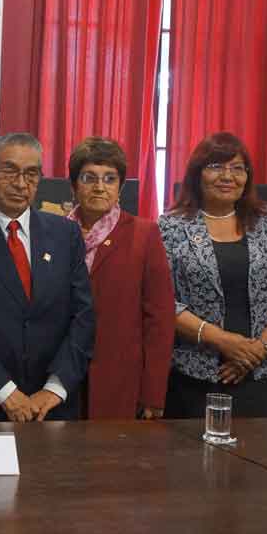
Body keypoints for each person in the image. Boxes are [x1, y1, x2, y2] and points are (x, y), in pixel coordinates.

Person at [0, 133, 95, 422]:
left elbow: (83, 316)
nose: (21, 184)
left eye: (31, 173)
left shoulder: (65, 234)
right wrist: (5, 392)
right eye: (9, 171)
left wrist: (54, 388)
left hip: (53, 407)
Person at [158, 132, 267, 418]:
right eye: (216, 166)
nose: (228, 176)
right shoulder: (170, 227)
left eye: (238, 168)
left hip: (263, 375)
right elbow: (162, 301)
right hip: (194, 378)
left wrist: (258, 350)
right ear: (197, 174)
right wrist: (224, 341)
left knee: (262, 448)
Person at [66, 137, 175, 419]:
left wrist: (153, 392)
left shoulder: (144, 234)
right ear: (74, 185)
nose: (99, 187)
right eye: (89, 178)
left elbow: (160, 320)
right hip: (59, 379)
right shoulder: (55, 233)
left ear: (120, 187)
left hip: (120, 381)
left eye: (109, 179)